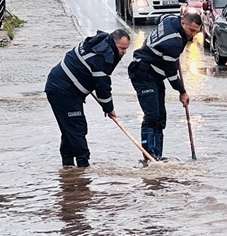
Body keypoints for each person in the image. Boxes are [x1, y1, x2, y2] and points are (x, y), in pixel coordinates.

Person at [45, 29, 132, 167]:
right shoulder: (103, 55)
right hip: (63, 90)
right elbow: (103, 87)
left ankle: (68, 168)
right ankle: (83, 167)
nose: (124, 52)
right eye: (121, 48)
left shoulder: (102, 43)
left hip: (67, 89)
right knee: (77, 128)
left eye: (126, 49)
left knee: (69, 129)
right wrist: (109, 108)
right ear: (114, 43)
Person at [127, 12, 202, 161]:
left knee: (161, 117)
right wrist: (182, 91)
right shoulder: (173, 42)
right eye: (191, 30)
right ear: (183, 23)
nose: (193, 35)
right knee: (152, 115)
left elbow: (160, 18)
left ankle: (158, 155)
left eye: (196, 32)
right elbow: (171, 74)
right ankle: (149, 157)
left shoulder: (171, 19)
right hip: (143, 72)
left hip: (155, 73)